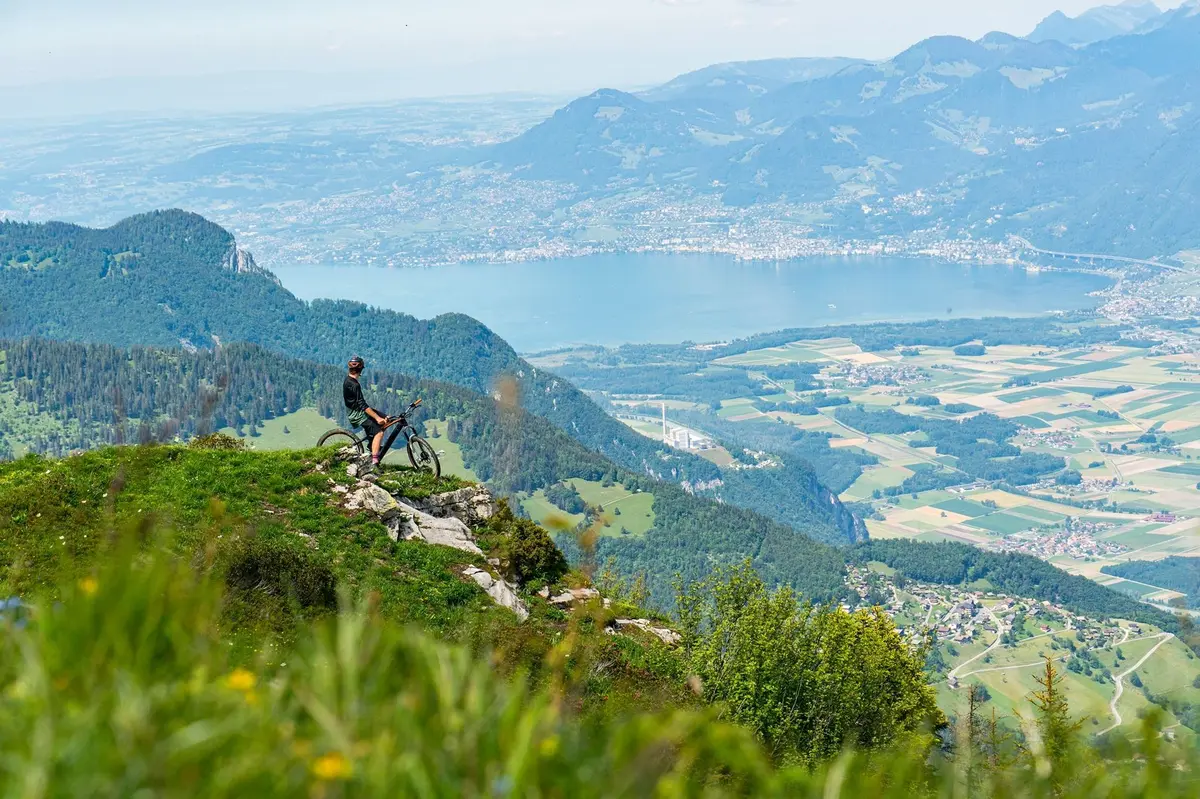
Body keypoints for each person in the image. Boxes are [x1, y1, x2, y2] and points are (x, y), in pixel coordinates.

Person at [343, 355, 389, 466]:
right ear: (361, 369)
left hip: (357, 410)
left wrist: (380, 416)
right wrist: (377, 418)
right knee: (379, 432)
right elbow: (362, 405)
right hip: (357, 413)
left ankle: (371, 444)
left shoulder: (349, 380)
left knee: (386, 418)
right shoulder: (354, 384)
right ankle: (374, 461)